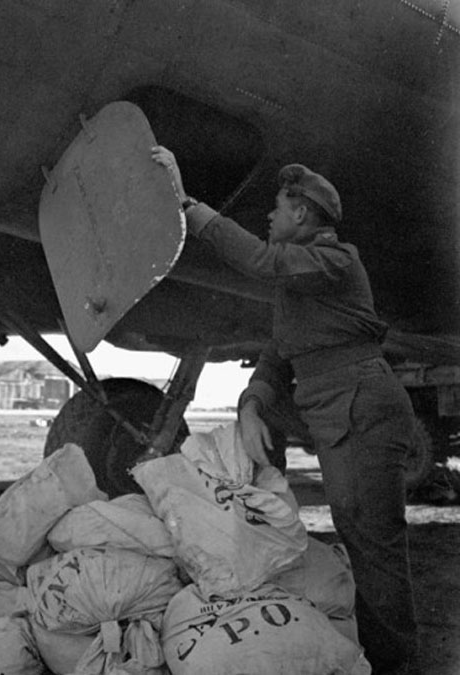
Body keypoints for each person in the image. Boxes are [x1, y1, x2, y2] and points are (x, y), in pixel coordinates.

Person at [151, 145, 418, 674]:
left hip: (361, 405)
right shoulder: (300, 282)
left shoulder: (335, 260)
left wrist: (186, 204)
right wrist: (252, 403)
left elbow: (259, 260)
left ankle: (395, 664)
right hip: (336, 406)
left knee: (370, 540)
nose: (269, 216)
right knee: (359, 531)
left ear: (302, 213)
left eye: (277, 207)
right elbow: (279, 355)